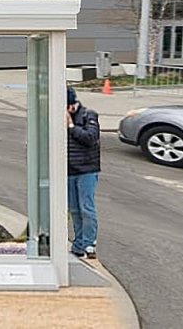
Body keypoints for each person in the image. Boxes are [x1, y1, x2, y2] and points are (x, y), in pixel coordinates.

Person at [66, 87, 101, 259]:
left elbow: (90, 138)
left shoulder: (89, 115)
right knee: (74, 209)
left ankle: (89, 243)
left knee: (86, 207)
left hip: (87, 169)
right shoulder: (58, 117)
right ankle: (78, 243)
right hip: (69, 170)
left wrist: (71, 127)